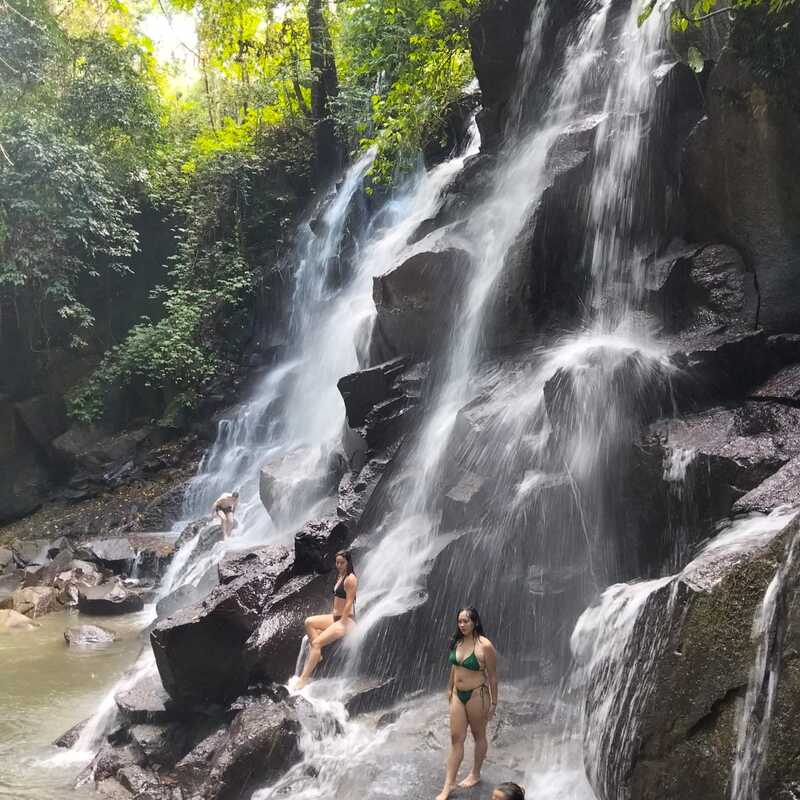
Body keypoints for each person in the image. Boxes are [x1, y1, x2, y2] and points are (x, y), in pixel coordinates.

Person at [436, 607, 498, 800]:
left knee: (479, 735)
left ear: (475, 622)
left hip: (477, 695)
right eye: (460, 621)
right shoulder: (457, 641)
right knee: (456, 739)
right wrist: (449, 688)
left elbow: (493, 677)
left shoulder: (485, 645)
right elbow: (455, 667)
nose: (462, 625)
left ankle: (475, 774)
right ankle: (449, 785)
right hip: (457, 694)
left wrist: (494, 703)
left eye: (466, 621)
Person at [295, 550, 358, 688]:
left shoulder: (350, 579)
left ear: (348, 562)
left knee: (316, 643)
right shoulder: (340, 576)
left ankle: (303, 679)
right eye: (337, 563)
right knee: (309, 622)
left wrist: (342, 622)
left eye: (342, 563)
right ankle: (318, 656)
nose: (339, 565)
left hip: (347, 620)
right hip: (336, 617)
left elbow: (349, 602)